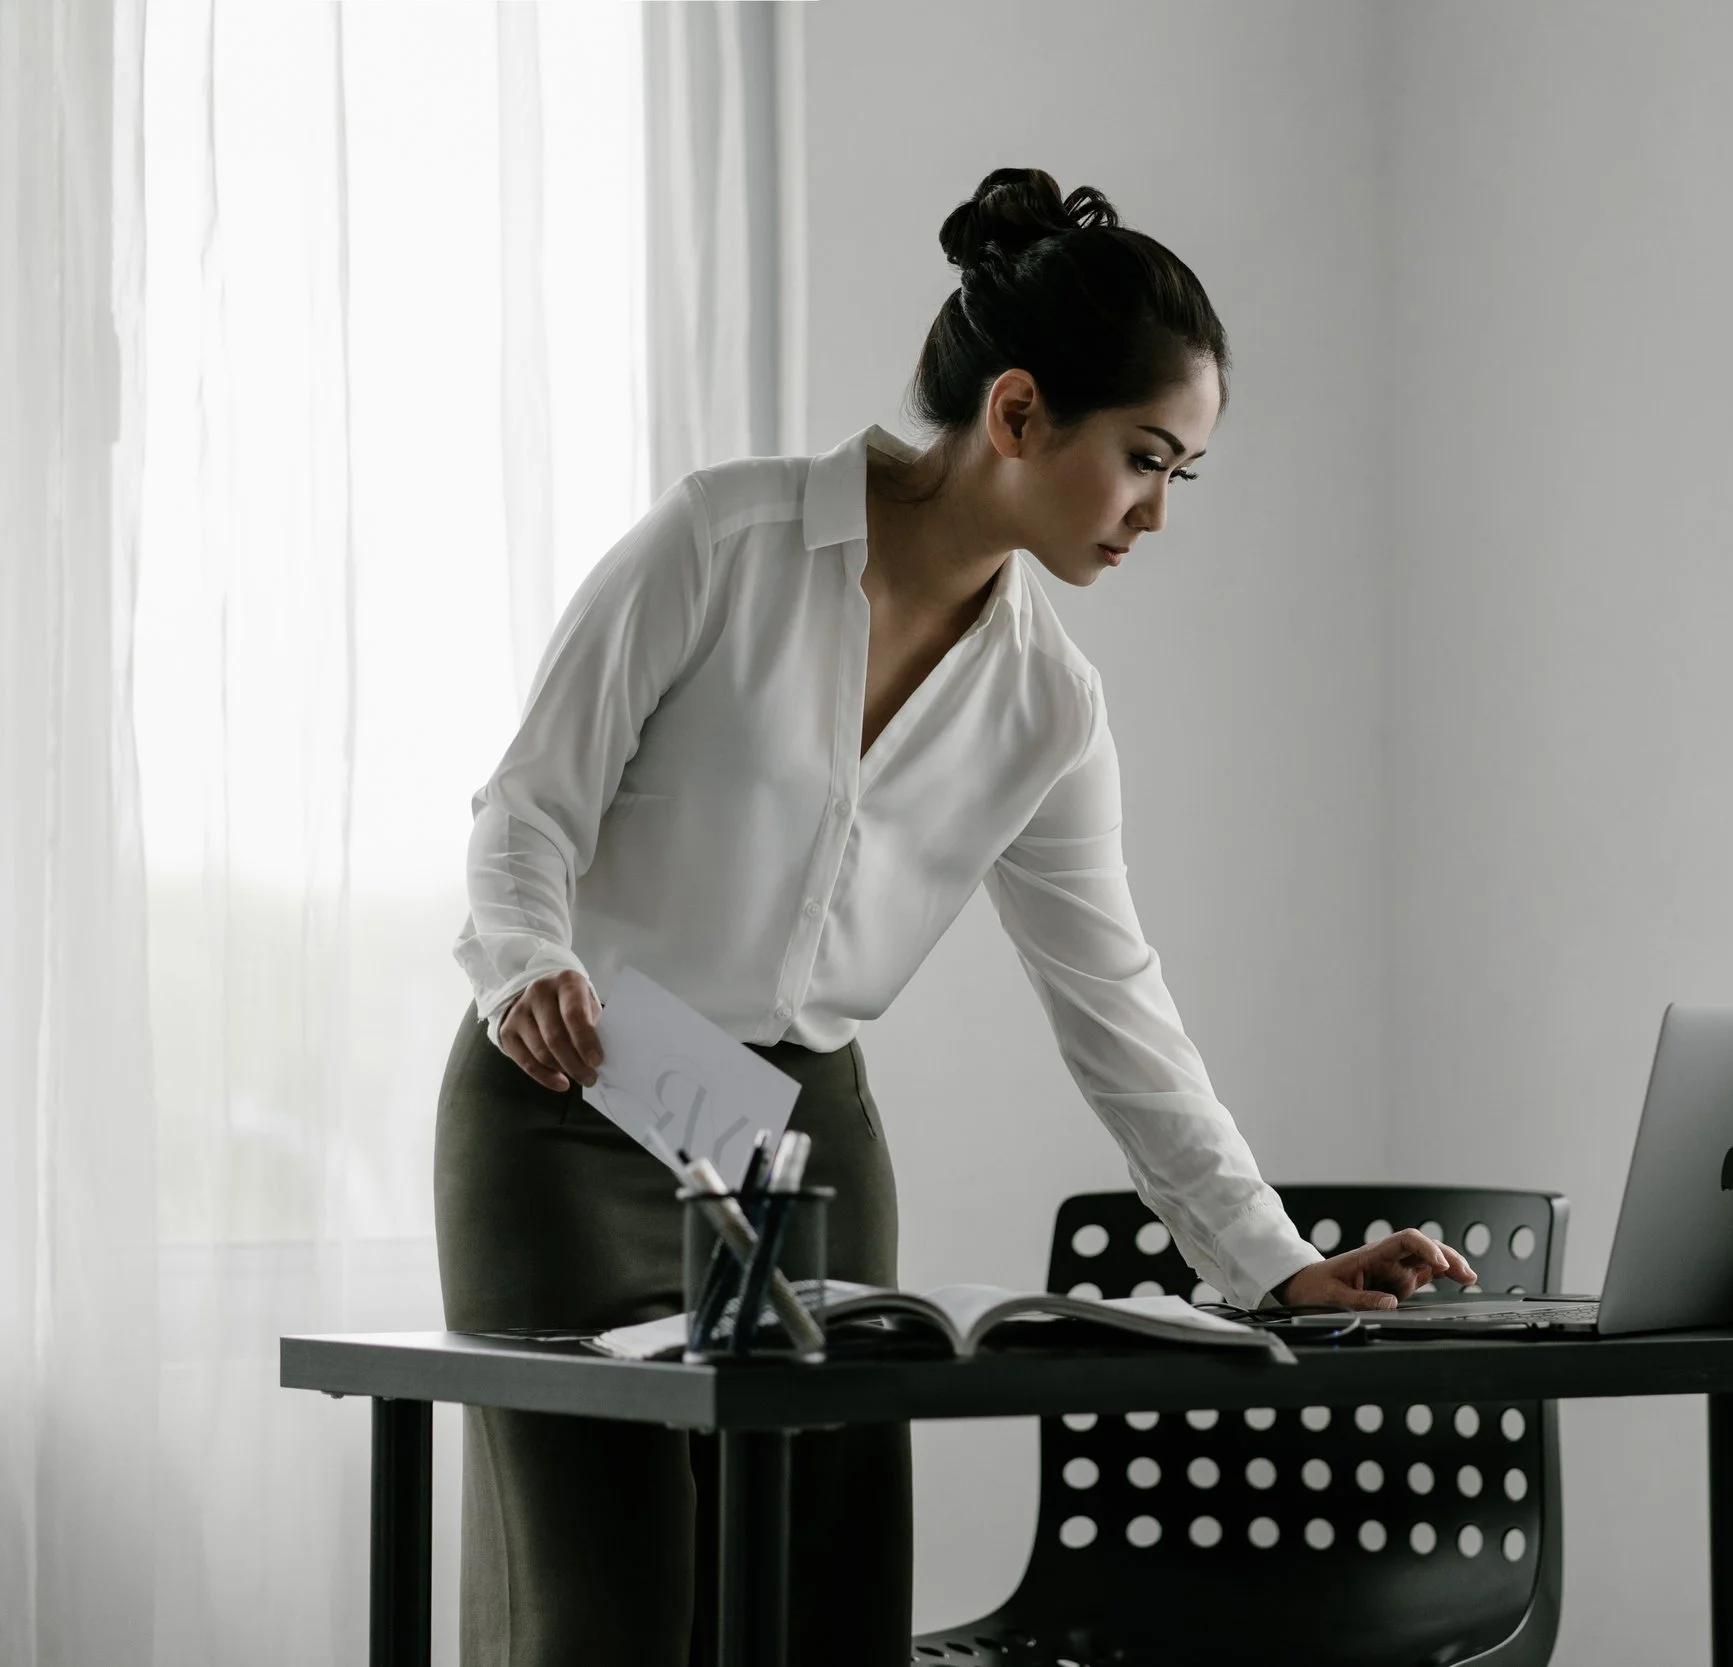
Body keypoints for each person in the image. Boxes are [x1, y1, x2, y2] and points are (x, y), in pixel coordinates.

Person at [434, 165, 1478, 1667]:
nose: (1158, 513)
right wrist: (528, 964)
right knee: (603, 1610)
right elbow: (525, 811)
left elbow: (1120, 1011)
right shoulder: (720, 545)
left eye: (1182, 472)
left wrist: (1275, 1261)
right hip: (571, 1103)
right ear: (1015, 412)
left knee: (820, 1605)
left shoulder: (1048, 703)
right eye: (1144, 457)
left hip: (804, 1150)